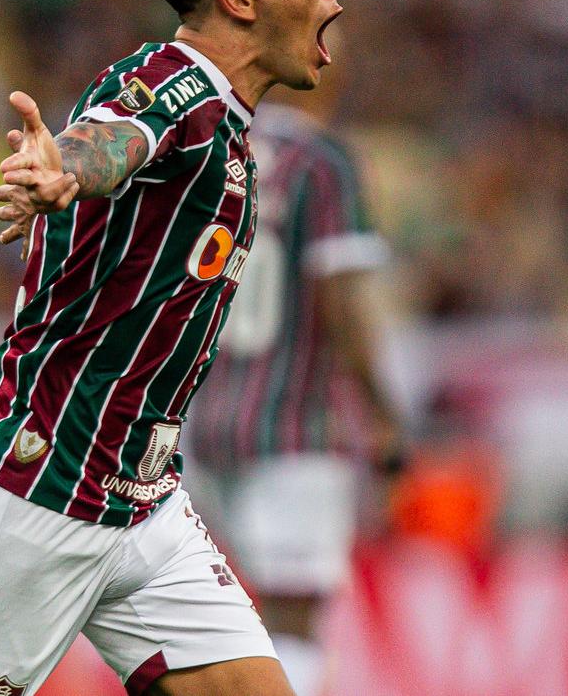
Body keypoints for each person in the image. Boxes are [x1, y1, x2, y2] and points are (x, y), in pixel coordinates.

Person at [0, 0, 345, 696]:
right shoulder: (178, 87)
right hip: (38, 497)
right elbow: (118, 137)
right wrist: (63, 165)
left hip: (141, 506)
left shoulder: (229, 125)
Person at [186, 50, 403, 695]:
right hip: (296, 429)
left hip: (207, 423)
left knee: (225, 620)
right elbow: (342, 298)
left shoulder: (210, 153)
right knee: (294, 619)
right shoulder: (322, 163)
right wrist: (382, 411)